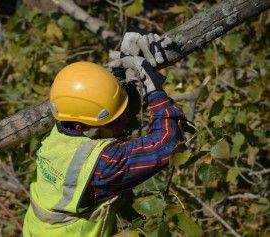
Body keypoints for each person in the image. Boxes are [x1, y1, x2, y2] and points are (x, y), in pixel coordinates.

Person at [23, 31, 186, 237]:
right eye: (116, 119)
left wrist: (123, 75)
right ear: (84, 128)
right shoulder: (103, 166)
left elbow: (95, 103)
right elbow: (167, 144)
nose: (126, 120)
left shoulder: (61, 132)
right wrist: (154, 90)